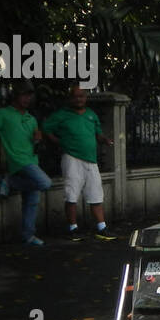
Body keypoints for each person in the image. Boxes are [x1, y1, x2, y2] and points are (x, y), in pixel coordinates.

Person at [0, 81, 51, 245]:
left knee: (31, 202)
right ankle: (10, 181)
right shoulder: (3, 114)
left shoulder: (31, 119)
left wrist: (38, 139)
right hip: (18, 161)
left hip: (31, 160)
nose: (27, 98)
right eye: (24, 94)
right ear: (15, 96)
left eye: (29, 95)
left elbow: (35, 142)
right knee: (45, 183)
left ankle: (28, 236)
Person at [43, 86, 114, 239]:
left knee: (96, 194)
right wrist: (58, 141)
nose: (79, 99)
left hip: (91, 160)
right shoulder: (62, 115)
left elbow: (98, 134)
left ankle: (102, 228)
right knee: (71, 194)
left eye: (81, 96)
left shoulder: (91, 115)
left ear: (86, 98)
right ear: (70, 98)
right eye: (75, 96)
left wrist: (105, 140)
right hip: (71, 158)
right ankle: (73, 228)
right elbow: (46, 128)